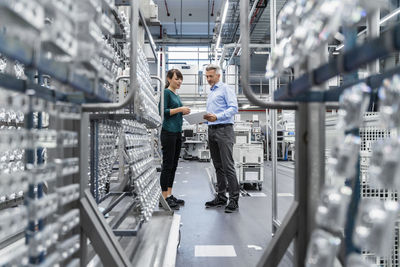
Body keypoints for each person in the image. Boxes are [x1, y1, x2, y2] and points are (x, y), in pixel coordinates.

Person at [203, 64, 240, 213]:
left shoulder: (225, 89)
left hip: (224, 129)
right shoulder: (211, 93)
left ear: (218, 75)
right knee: (218, 166)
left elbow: (233, 108)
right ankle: (221, 197)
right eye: (206, 77)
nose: (208, 79)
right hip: (212, 130)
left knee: (228, 166)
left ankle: (234, 200)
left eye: (210, 76)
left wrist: (217, 116)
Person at [159, 69, 191, 210]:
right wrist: (180, 109)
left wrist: (184, 111)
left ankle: (170, 194)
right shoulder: (166, 92)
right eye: (177, 78)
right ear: (169, 78)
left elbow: (176, 111)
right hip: (168, 132)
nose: (179, 81)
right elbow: (163, 111)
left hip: (177, 133)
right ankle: (164, 197)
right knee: (167, 165)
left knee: (174, 165)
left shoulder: (176, 95)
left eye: (180, 79)